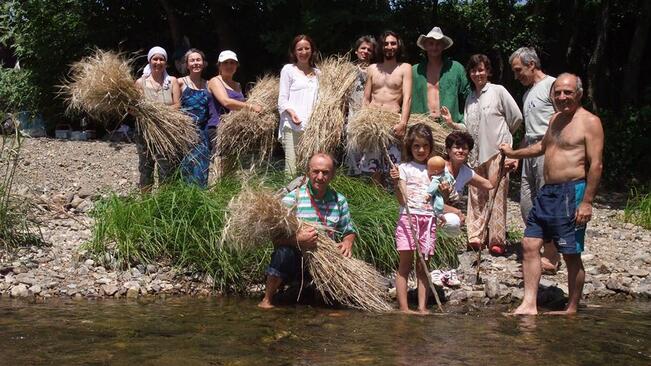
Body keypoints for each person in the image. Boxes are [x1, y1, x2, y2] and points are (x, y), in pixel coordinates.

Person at [500, 73, 604, 315]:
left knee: (570, 254)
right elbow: (542, 147)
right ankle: (529, 304)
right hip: (548, 192)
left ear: (579, 93)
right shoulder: (555, 118)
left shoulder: (590, 122)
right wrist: (514, 154)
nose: (562, 97)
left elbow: (596, 165)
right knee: (529, 244)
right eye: (557, 92)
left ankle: (572, 308)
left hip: (572, 192)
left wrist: (587, 202)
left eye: (567, 92)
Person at [444, 54, 522, 255]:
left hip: (497, 152)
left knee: (497, 195)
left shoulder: (498, 91)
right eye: (474, 70)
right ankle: (476, 236)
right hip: (475, 152)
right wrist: (453, 123)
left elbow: (516, 117)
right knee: (476, 195)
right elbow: (468, 127)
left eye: (481, 69)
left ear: (488, 71)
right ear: (469, 74)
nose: (478, 73)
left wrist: (506, 140)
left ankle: (497, 239)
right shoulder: (470, 98)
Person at [258, 153, 357, 309]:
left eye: (325, 172)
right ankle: (267, 300)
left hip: (324, 259)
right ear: (308, 172)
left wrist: (348, 242)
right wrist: (297, 239)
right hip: (295, 259)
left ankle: (326, 297)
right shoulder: (293, 199)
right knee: (283, 253)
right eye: (315, 171)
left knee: (330, 307)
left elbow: (348, 230)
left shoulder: (339, 200)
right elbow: (275, 238)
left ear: (332, 175)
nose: (320, 176)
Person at [510, 47, 559, 272]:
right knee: (527, 204)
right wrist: (518, 156)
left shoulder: (553, 85)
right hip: (530, 149)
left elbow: (564, 118)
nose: (517, 75)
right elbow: (529, 130)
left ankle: (552, 255)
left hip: (548, 149)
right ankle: (537, 251)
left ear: (532, 64)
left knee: (546, 201)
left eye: (519, 70)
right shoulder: (527, 93)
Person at [388, 123, 436, 314]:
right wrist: (395, 183)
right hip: (409, 218)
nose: (421, 150)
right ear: (410, 147)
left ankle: (423, 307)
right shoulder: (403, 168)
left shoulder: (435, 169)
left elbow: (440, 199)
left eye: (424, 146)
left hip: (428, 219)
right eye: (416, 146)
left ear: (430, 147)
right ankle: (405, 308)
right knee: (405, 264)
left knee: (424, 265)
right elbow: (402, 200)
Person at [362, 30, 412, 183]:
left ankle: (395, 202)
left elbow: (408, 98)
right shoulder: (372, 68)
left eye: (393, 43)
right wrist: (364, 119)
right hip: (373, 120)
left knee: (394, 167)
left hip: (392, 121)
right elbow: (366, 97)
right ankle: (377, 202)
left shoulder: (405, 68)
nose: (389, 47)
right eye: (386, 44)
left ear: (398, 45)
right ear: (381, 47)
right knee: (374, 168)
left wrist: (403, 122)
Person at [207, 50, 262, 176]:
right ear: (219, 65)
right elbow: (226, 102)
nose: (229, 66)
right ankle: (214, 191)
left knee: (233, 165)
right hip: (218, 128)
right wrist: (251, 107)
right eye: (225, 63)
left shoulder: (237, 85)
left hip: (235, 129)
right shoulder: (215, 81)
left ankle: (228, 191)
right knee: (219, 163)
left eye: (232, 63)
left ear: (236, 66)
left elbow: (239, 108)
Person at [134, 46, 181, 192]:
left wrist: (156, 112)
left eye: (161, 59)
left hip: (166, 130)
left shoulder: (172, 81)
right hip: (145, 131)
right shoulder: (140, 83)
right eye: (155, 59)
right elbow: (136, 108)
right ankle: (145, 202)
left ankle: (163, 201)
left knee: (166, 166)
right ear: (149, 61)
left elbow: (177, 105)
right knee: (145, 167)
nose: (158, 62)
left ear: (165, 63)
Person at [440, 131, 496, 238]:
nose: (461, 151)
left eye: (464, 148)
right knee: (453, 220)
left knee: (454, 221)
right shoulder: (439, 168)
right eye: (456, 147)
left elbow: (489, 185)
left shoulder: (466, 172)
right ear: (448, 150)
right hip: (427, 211)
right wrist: (455, 211)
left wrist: (502, 168)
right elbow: (428, 201)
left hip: (444, 214)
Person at [277, 35, 320, 176]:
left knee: (308, 167)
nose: (303, 52)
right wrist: (291, 113)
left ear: (312, 50)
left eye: (307, 48)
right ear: (294, 52)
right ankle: (288, 197)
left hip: (311, 126)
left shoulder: (318, 73)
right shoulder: (288, 70)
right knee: (291, 167)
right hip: (291, 125)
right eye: (299, 49)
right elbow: (282, 99)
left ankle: (305, 197)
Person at [411, 26, 470, 124]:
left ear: (443, 46)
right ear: (425, 46)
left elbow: (469, 95)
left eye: (438, 44)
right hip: (421, 127)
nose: (434, 47)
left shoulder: (455, 69)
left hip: (449, 125)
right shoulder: (414, 71)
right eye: (431, 43)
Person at [177, 48, 211, 188]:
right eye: (192, 60)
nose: (196, 63)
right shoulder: (179, 83)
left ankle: (200, 201)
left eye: (198, 60)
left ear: (203, 63)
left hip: (203, 135)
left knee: (202, 169)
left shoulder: (208, 85)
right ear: (187, 64)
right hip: (185, 134)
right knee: (185, 168)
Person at [346, 35, 377, 175]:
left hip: (371, 115)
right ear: (356, 51)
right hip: (353, 114)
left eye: (369, 49)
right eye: (362, 48)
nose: (365, 51)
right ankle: (354, 177)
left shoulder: (376, 70)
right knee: (353, 147)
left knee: (369, 147)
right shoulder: (348, 71)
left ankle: (368, 178)